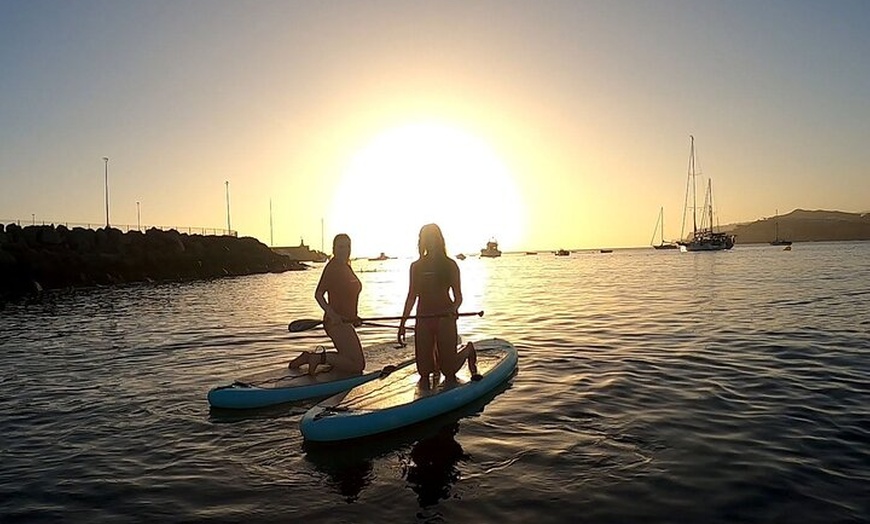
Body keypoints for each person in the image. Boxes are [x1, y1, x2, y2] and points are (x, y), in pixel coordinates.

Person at [398, 224, 477, 385]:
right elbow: (411, 296)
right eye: (427, 239)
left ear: (440, 240)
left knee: (448, 371)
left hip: (444, 318)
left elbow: (458, 297)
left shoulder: (450, 265)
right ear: (422, 242)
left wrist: (453, 309)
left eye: (434, 238)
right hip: (423, 318)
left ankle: (468, 350)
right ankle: (435, 356)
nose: (431, 242)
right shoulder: (416, 267)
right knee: (424, 372)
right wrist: (403, 323)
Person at [289, 233, 365, 375]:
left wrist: (355, 317)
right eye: (341, 247)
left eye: (348, 246)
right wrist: (333, 315)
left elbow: (347, 295)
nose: (345, 250)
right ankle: (316, 358)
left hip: (347, 322)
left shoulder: (346, 266)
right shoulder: (333, 267)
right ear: (334, 249)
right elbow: (318, 294)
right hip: (336, 323)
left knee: (351, 361)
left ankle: (308, 357)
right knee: (357, 365)